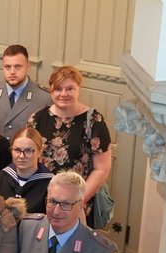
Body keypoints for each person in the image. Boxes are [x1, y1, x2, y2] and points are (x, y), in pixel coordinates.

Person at [27, 65, 113, 225]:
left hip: (77, 203)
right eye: (58, 89)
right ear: (51, 90)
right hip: (42, 201)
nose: (63, 94)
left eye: (70, 89)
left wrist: (77, 201)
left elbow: (102, 169)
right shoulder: (37, 119)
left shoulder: (94, 121)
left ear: (79, 89)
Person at [0, 44, 50, 140]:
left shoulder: (44, 98)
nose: (12, 72)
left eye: (18, 67)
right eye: (7, 67)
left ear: (28, 66)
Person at [0, 127, 54, 214]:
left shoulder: (50, 184)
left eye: (28, 150)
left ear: (40, 152)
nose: (21, 156)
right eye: (17, 150)